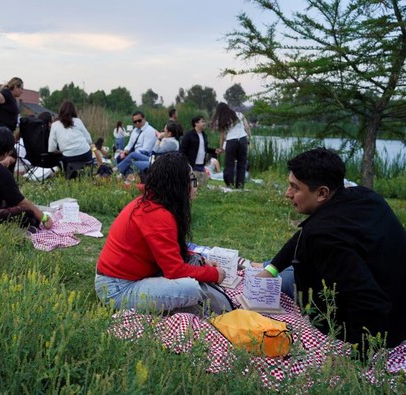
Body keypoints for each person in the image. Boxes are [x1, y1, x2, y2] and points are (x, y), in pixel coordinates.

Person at [257, 148, 406, 350]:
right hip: (396, 297)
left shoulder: (324, 236)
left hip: (382, 326)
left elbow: (368, 301)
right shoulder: (364, 195)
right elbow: (301, 236)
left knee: (283, 283)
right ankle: (268, 268)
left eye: (295, 187)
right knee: (274, 272)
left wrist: (357, 357)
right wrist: (271, 269)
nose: (287, 193)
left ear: (322, 193)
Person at [95, 152, 226, 313]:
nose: (195, 185)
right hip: (117, 290)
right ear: (179, 185)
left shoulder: (155, 203)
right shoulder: (158, 216)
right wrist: (214, 274)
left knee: (193, 261)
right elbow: (175, 270)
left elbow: (172, 251)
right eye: (192, 180)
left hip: (124, 278)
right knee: (191, 288)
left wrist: (201, 261)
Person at [48, 100, 93, 179]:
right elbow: (89, 140)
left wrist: (62, 151)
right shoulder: (78, 121)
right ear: (73, 111)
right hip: (85, 154)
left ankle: (69, 179)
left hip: (69, 158)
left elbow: (51, 149)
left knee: (64, 162)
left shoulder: (55, 125)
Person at [212, 102, 251, 188]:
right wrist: (249, 139)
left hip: (231, 141)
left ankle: (229, 184)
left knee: (229, 164)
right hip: (243, 139)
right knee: (241, 164)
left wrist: (221, 148)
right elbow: (247, 127)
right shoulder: (239, 114)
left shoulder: (222, 119)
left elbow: (222, 136)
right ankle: (240, 185)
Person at [180, 116, 219, 187]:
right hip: (192, 165)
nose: (204, 123)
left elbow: (204, 148)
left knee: (203, 186)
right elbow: (182, 149)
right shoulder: (189, 135)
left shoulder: (204, 135)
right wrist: (185, 162)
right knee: (192, 186)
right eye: (202, 122)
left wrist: (214, 151)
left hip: (201, 165)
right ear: (196, 123)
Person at [114, 111, 158, 175]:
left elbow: (146, 150)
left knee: (131, 157)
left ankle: (118, 172)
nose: (137, 123)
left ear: (144, 119)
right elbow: (130, 144)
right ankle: (122, 175)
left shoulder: (150, 131)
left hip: (144, 155)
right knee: (120, 157)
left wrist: (131, 154)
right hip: (134, 153)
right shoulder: (135, 130)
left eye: (139, 120)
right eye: (135, 122)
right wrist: (126, 151)